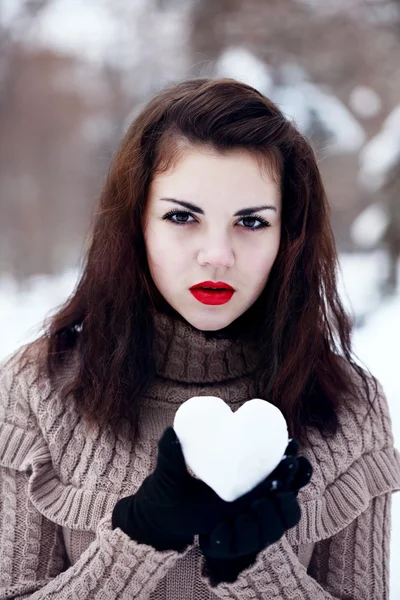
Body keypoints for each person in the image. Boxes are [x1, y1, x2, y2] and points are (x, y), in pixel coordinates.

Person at [0, 77, 399, 599]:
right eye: (182, 216)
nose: (218, 254)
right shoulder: (37, 390)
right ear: (137, 223)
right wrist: (139, 538)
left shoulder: (347, 406)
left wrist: (255, 568)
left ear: (289, 236)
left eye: (251, 221)